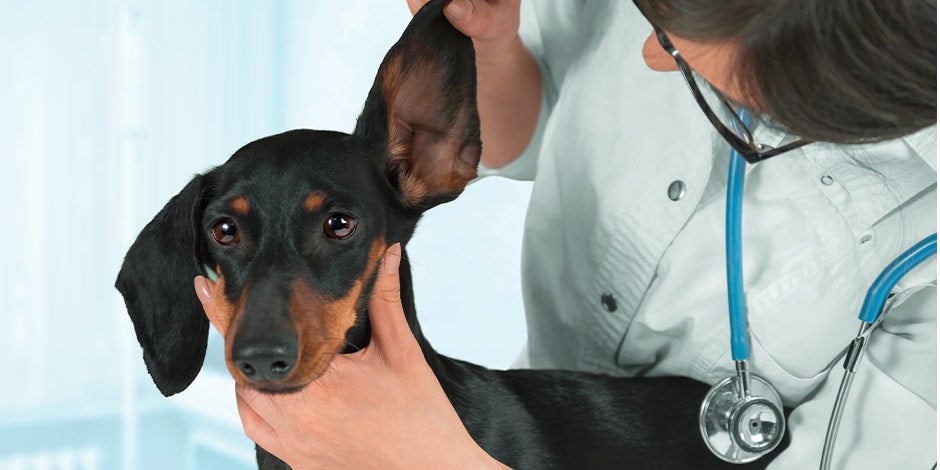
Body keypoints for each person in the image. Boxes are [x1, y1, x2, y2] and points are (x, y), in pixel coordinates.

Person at [194, 0, 938, 468]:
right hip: (529, 409)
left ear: (823, 100)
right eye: (650, 15)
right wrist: (490, 46)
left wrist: (434, 460)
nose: (648, 53)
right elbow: (542, 109)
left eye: (682, 56)